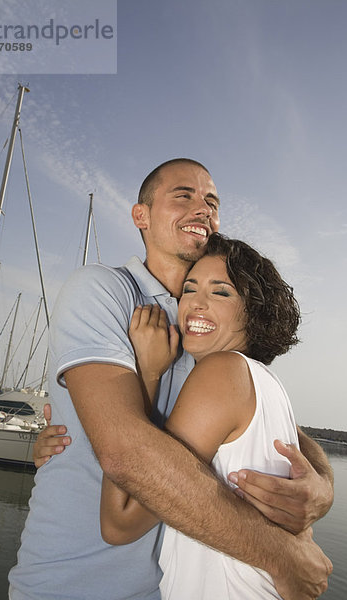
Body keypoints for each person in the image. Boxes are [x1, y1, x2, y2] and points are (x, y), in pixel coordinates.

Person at [9, 159, 333, 600]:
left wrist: (324, 485)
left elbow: (285, 434)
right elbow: (126, 455)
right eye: (184, 195)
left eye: (211, 202)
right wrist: (279, 553)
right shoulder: (103, 291)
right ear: (141, 216)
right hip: (72, 582)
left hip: (164, 588)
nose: (203, 208)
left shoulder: (209, 335)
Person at [100, 233, 313, 599]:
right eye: (189, 288)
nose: (195, 304)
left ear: (254, 310)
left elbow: (120, 521)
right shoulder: (266, 383)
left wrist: (147, 377)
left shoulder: (221, 372)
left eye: (220, 292)